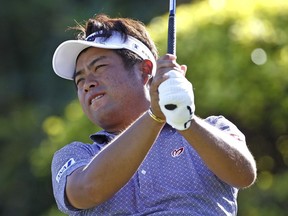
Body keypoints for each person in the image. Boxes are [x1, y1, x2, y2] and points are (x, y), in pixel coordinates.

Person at [51, 14, 257, 215]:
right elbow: (87, 191)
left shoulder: (213, 128)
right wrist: (154, 117)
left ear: (145, 70)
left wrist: (185, 120)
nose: (88, 84)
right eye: (80, 80)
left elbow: (244, 174)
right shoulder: (76, 156)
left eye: (100, 67)